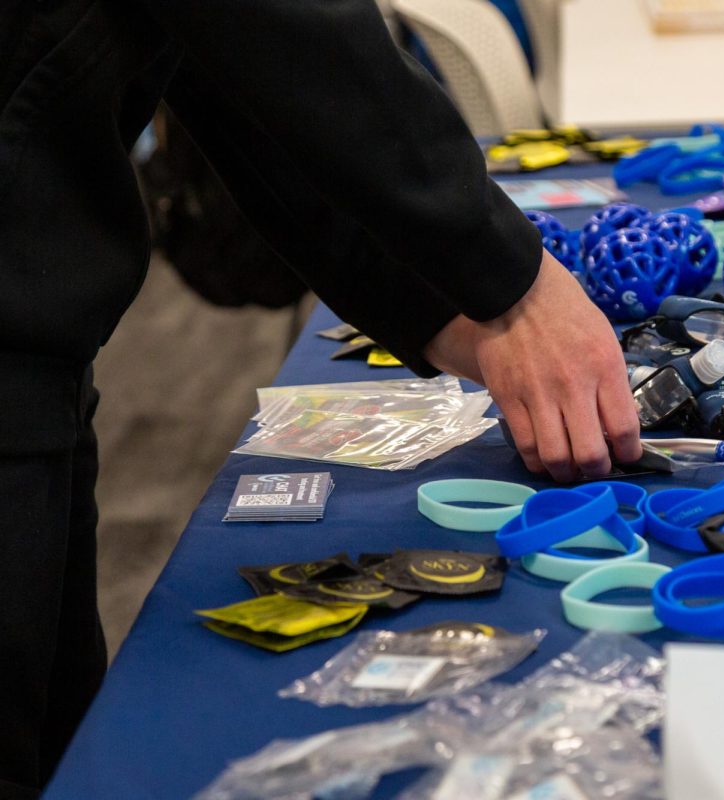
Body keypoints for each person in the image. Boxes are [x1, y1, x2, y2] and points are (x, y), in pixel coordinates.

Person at [0, 1, 640, 795]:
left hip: (40, 345)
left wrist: (435, 309)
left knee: (58, 749)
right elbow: (287, 26)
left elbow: (242, 73)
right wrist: (515, 283)